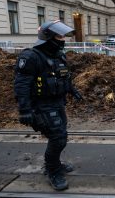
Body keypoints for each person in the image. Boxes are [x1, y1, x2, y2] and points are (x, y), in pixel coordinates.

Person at [14, 20, 83, 190]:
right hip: (41, 106)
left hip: (58, 103)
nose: (63, 39)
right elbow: (21, 85)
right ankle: (52, 170)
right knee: (58, 138)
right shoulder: (31, 56)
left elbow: (63, 76)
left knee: (61, 136)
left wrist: (71, 89)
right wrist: (25, 110)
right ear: (48, 37)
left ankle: (55, 163)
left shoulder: (58, 55)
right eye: (59, 36)